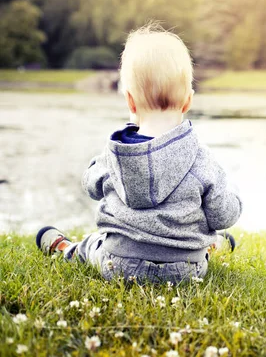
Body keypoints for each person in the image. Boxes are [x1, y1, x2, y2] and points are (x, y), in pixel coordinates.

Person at [35, 23, 242, 283]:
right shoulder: (202, 159)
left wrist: (96, 169)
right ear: (188, 101)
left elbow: (91, 186)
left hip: (119, 265)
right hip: (186, 271)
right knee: (198, 243)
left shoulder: (115, 154)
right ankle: (213, 246)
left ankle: (66, 249)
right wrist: (232, 196)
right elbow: (224, 214)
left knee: (94, 244)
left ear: (130, 100)